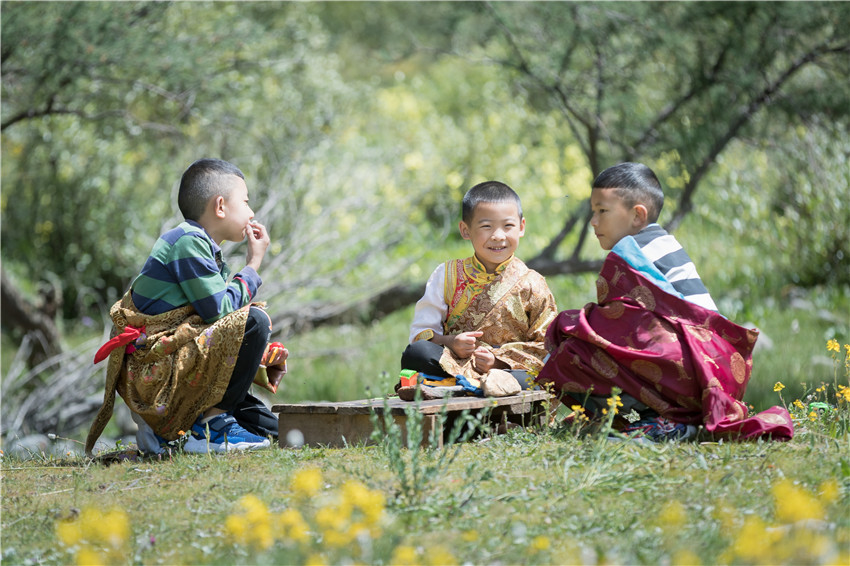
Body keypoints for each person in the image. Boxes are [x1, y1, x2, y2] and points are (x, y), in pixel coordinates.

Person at [535, 162, 793, 442]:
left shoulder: (630, 253)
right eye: (593, 212)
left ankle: (667, 422)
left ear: (637, 215)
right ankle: (668, 419)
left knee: (571, 346)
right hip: (720, 372)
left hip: (692, 371)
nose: (593, 222)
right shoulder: (664, 242)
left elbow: (614, 324)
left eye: (602, 211)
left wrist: (567, 326)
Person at [86, 158, 287, 456]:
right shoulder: (188, 242)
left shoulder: (202, 247)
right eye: (245, 202)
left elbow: (212, 327)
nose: (252, 212)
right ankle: (208, 428)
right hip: (159, 378)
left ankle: (202, 424)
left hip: (175, 370)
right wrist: (253, 265)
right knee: (255, 319)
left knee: (277, 431)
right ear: (220, 206)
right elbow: (220, 312)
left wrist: (256, 357)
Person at [401, 181, 558, 394]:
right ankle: (474, 386)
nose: (498, 236)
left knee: (538, 376)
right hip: (454, 363)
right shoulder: (447, 275)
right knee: (416, 352)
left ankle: (461, 387)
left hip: (506, 372)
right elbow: (421, 333)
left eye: (508, 226)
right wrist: (451, 342)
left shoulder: (533, 283)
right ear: (465, 230)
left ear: (521, 227)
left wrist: (497, 362)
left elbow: (546, 346)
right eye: (486, 226)